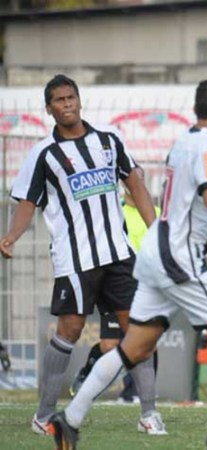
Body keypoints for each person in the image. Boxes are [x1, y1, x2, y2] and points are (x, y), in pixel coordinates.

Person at [49, 79, 207, 450]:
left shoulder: (185, 140)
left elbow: (195, 196)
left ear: (197, 109)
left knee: (132, 348)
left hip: (155, 251)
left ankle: (68, 420)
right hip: (179, 258)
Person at [0, 74, 162, 437]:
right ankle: (43, 415)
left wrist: (156, 229)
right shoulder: (44, 153)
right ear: (49, 109)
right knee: (69, 331)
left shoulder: (108, 139)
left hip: (119, 255)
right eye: (59, 100)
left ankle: (149, 414)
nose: (67, 104)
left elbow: (134, 182)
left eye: (71, 97)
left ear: (79, 100)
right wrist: (10, 237)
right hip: (75, 261)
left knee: (139, 331)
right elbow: (28, 202)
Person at [71, 186, 163, 412]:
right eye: (131, 183)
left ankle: (137, 393)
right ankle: (87, 371)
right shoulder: (116, 212)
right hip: (119, 283)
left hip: (148, 287)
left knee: (147, 343)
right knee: (109, 345)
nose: (135, 187)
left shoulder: (157, 212)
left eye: (139, 182)